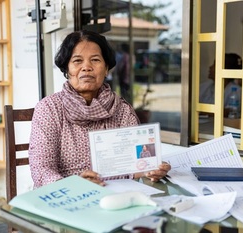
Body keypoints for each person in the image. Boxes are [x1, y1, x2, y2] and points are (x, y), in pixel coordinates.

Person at [28, 30, 171, 188]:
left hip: (114, 195)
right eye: (77, 61)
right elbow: (41, 169)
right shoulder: (49, 108)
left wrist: (151, 169)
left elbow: (135, 166)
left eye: (95, 60)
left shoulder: (122, 109)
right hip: (64, 198)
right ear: (67, 69)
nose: (86, 67)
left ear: (106, 68)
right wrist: (74, 186)